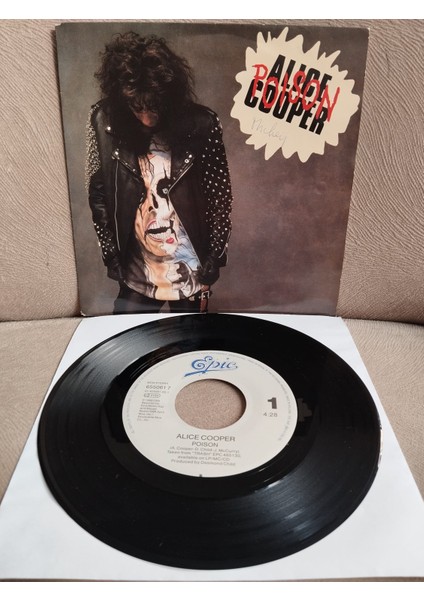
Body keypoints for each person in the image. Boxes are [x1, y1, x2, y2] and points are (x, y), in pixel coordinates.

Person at [85, 32, 233, 313]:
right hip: (136, 271)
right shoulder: (104, 122)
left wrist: (215, 257)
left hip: (191, 270)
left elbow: (220, 199)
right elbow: (98, 194)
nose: (147, 118)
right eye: (137, 107)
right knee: (127, 336)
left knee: (191, 340)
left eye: (154, 106)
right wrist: (110, 253)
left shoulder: (203, 124)